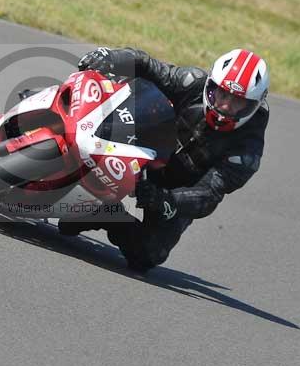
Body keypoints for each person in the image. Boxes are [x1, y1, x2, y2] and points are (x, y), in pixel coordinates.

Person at [59, 46, 270, 272]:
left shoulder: (247, 150)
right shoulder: (192, 82)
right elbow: (146, 64)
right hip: (148, 146)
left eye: (237, 101)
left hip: (178, 188)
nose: (225, 105)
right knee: (121, 96)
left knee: (148, 255)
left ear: (254, 105)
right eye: (222, 94)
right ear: (211, 85)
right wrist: (110, 57)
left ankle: (102, 213)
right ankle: (58, 124)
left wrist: (167, 199)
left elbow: (209, 194)